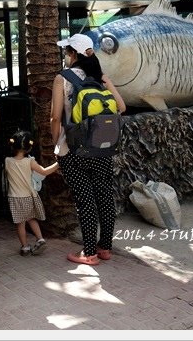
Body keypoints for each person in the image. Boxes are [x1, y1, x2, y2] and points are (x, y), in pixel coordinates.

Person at [50, 34, 126, 266]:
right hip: (101, 148)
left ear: (73, 54)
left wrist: (56, 145)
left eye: (67, 52)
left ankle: (89, 253)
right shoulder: (101, 78)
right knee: (103, 196)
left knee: (85, 199)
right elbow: (121, 107)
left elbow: (55, 118)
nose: (65, 56)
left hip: (72, 150)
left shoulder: (62, 78)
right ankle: (105, 248)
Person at [4, 129, 58, 256]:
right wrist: (58, 164)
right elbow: (44, 171)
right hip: (28, 196)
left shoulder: (7, 161)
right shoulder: (30, 161)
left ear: (12, 146)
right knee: (31, 219)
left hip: (15, 198)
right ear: (29, 148)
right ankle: (40, 239)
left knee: (20, 224)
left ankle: (25, 247)